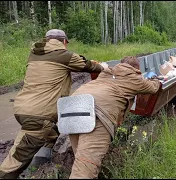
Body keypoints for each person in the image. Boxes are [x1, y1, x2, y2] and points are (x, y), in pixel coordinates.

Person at [0, 29, 108, 179]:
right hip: (38, 115)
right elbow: (89, 66)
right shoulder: (64, 56)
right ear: (64, 42)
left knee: (51, 132)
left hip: (22, 109)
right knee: (16, 161)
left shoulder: (34, 55)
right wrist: (104, 66)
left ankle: (40, 164)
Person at [68, 56, 161, 179]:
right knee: (84, 169)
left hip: (71, 107)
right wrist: (155, 79)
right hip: (96, 112)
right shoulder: (134, 78)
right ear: (136, 68)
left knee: (82, 159)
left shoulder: (106, 72)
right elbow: (153, 88)